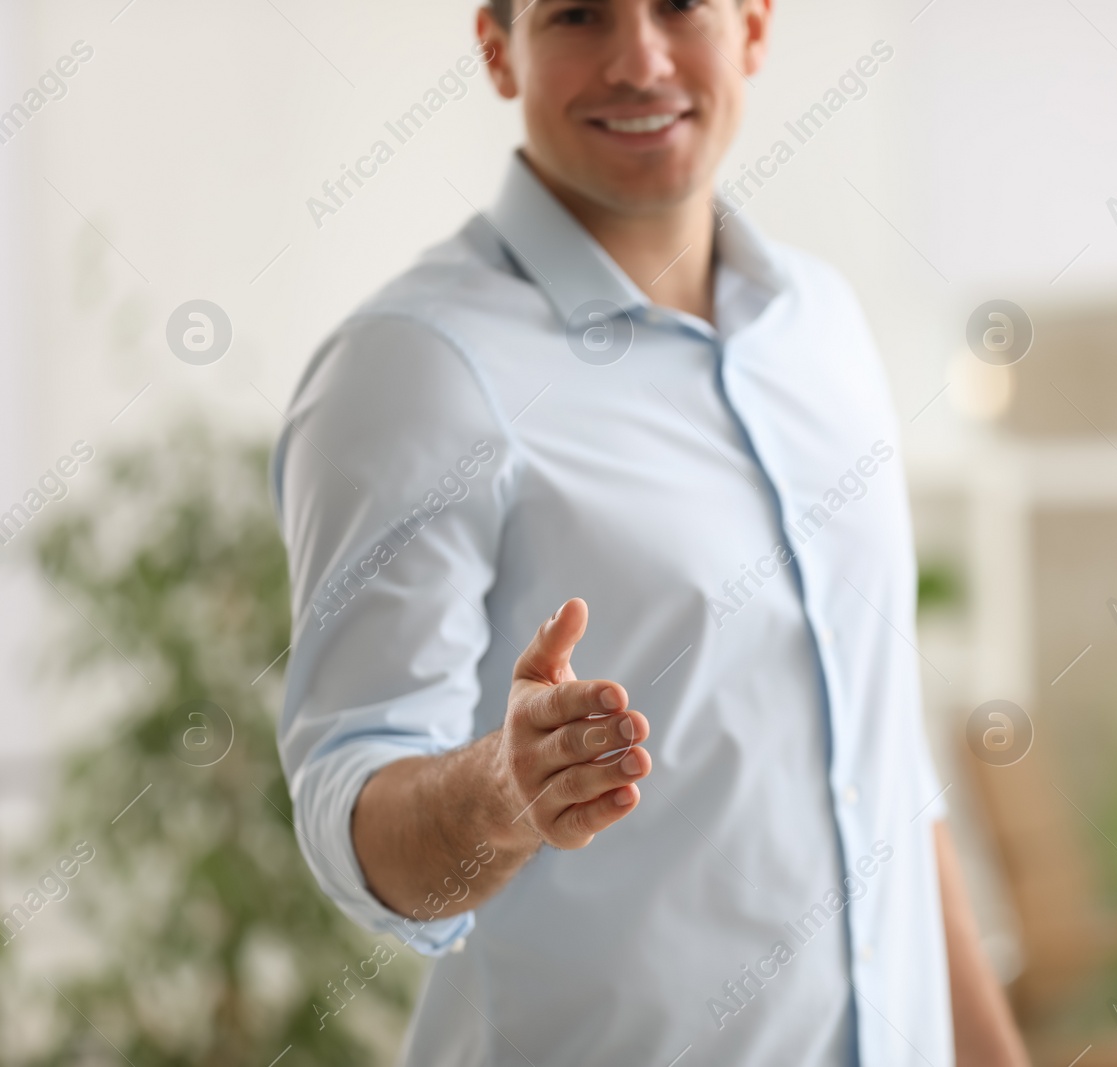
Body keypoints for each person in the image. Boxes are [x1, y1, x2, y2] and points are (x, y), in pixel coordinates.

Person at [272, 1, 1029, 1064]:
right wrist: (503, 792)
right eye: (578, 13)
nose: (640, 59)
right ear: (499, 48)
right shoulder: (414, 368)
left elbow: (886, 768)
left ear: (753, 28)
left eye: (681, 6)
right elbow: (349, 803)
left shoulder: (823, 325)